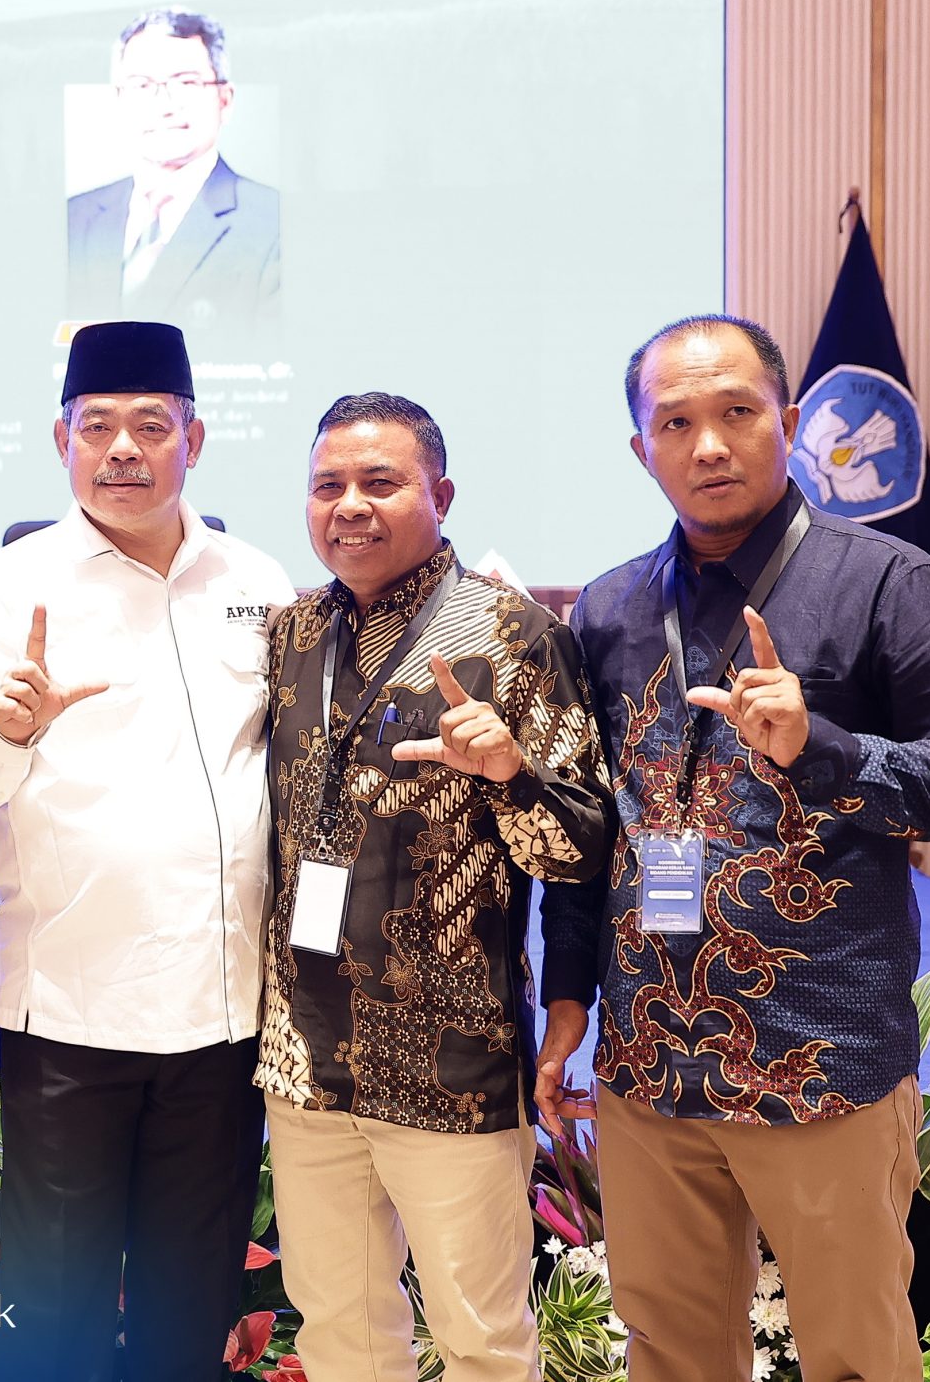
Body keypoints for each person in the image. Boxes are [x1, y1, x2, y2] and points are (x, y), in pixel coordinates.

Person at [537, 314, 930, 1382]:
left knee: (856, 1355)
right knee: (671, 1353)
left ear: (791, 421)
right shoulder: (610, 607)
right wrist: (567, 994)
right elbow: (591, 824)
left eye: (737, 413)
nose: (709, 445)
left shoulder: (885, 583)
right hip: (649, 1061)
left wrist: (827, 749)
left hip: (821, 1060)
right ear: (641, 448)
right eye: (676, 423)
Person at [0, 320, 295, 1382]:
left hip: (222, 1005)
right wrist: (9, 729)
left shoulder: (258, 580)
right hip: (72, 1006)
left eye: (150, 425)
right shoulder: (4, 586)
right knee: (58, 1298)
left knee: (192, 1293)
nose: (123, 449)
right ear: (62, 441)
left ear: (195, 438)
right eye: (97, 427)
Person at [260, 393, 611, 1382]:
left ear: (441, 495)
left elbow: (579, 850)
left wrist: (511, 774)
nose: (349, 506)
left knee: (482, 1342)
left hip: (453, 1059)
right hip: (305, 1053)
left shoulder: (513, 634)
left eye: (380, 482)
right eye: (328, 485)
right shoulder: (290, 633)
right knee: (339, 1332)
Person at [67, 7, 280, 331]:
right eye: (141, 85)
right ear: (119, 100)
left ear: (225, 100)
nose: (163, 105)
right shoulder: (73, 216)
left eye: (186, 83)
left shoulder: (276, 222)